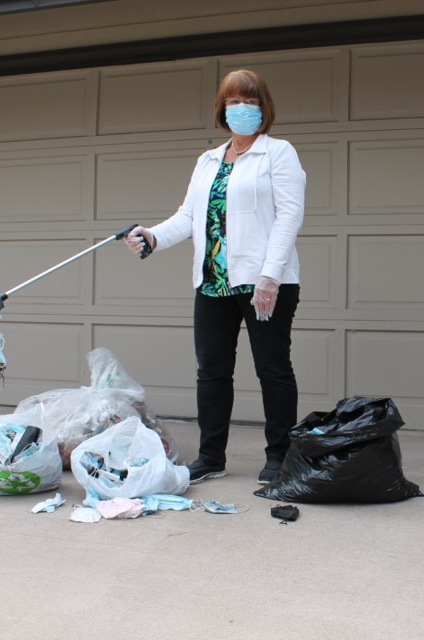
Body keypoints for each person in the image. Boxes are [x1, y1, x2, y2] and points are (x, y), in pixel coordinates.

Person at [125, 69, 305, 485]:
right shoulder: (208, 160)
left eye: (250, 101)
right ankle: (211, 457)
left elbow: (289, 217)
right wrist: (152, 236)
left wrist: (270, 276)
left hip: (264, 282)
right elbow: (189, 216)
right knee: (212, 371)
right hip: (213, 282)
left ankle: (279, 456)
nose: (242, 109)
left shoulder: (279, 153)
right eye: (234, 101)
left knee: (273, 369)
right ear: (222, 109)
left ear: (264, 108)